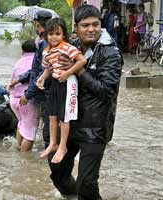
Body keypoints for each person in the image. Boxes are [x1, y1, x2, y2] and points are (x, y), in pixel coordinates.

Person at [48, 5, 123, 199]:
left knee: (87, 183)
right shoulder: (69, 46)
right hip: (69, 122)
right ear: (76, 27)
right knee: (57, 170)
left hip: (95, 126)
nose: (91, 29)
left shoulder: (111, 53)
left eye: (95, 24)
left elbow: (105, 91)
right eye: (85, 25)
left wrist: (78, 69)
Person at [36, 18, 87, 163]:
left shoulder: (67, 47)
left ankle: (63, 146)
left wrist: (68, 73)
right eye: (51, 34)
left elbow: (82, 60)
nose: (54, 37)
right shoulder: (47, 51)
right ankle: (53, 143)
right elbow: (48, 68)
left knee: (65, 117)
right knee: (52, 115)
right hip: (55, 83)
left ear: (63, 35)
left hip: (68, 82)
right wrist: (42, 78)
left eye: (57, 34)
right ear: (46, 35)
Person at [12, 10, 52, 147]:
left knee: (30, 129)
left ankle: (24, 161)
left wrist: (28, 94)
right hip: (41, 92)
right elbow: (35, 70)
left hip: (44, 93)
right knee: (30, 128)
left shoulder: (45, 43)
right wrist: (21, 79)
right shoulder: (41, 42)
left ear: (36, 24)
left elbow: (42, 72)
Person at [9, 40, 39, 152]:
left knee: (22, 124)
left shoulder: (19, 62)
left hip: (14, 100)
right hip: (27, 99)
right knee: (30, 133)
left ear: (23, 50)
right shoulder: (36, 61)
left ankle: (18, 149)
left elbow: (12, 80)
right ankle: (24, 160)